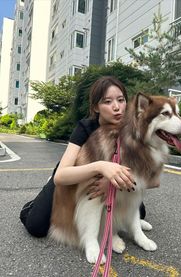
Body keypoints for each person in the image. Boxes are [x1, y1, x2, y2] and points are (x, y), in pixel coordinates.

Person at [20, 76, 146, 238]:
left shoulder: (131, 129)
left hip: (111, 179)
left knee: (139, 213)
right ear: (96, 107)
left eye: (121, 100)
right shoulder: (85, 128)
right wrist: (100, 166)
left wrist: (112, 184)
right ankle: (36, 204)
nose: (117, 107)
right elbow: (61, 176)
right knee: (36, 226)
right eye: (107, 102)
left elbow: (151, 178)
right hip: (77, 173)